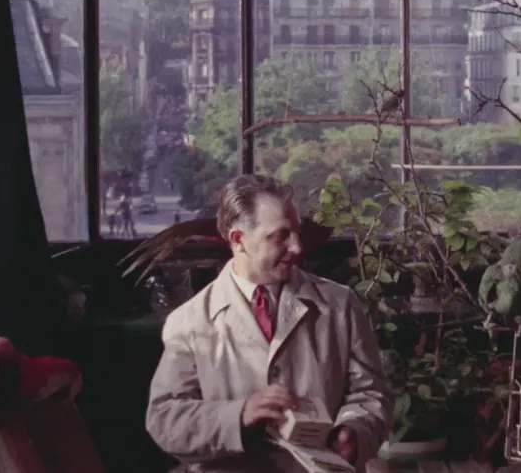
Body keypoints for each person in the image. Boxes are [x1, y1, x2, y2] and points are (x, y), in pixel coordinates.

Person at [146, 175, 392, 472]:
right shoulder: (189, 322)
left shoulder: (340, 305)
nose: (297, 247)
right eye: (280, 236)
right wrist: (239, 416)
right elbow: (164, 420)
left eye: (297, 232)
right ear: (238, 239)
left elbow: (372, 393)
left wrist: (355, 431)